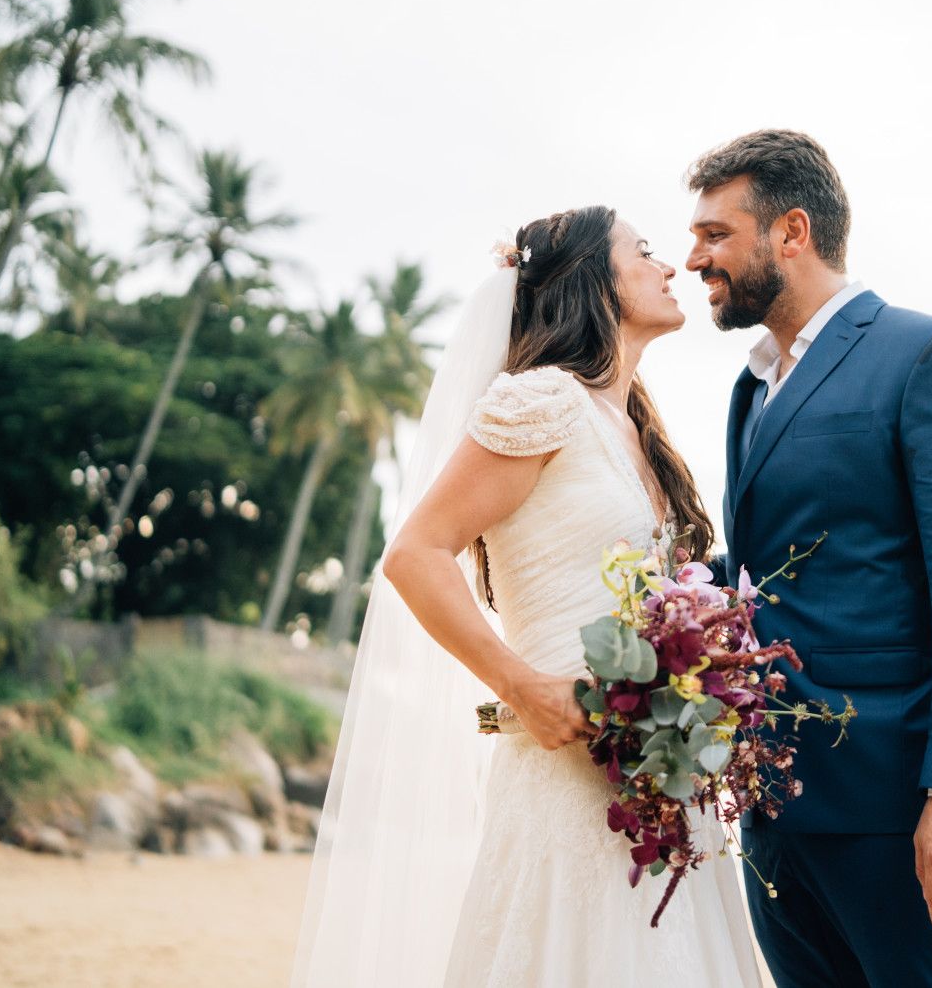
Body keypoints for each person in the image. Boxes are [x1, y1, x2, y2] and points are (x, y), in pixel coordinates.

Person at [287, 205, 760, 986]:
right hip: (565, 774)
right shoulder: (543, 401)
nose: (669, 265)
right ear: (593, 281)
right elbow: (414, 553)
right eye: (643, 251)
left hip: (661, 785)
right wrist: (522, 686)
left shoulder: (638, 428)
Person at [686, 128, 932, 988]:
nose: (695, 258)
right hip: (776, 814)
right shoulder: (751, 388)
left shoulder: (931, 355)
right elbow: (773, 567)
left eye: (715, 234)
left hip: (902, 806)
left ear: (792, 231)